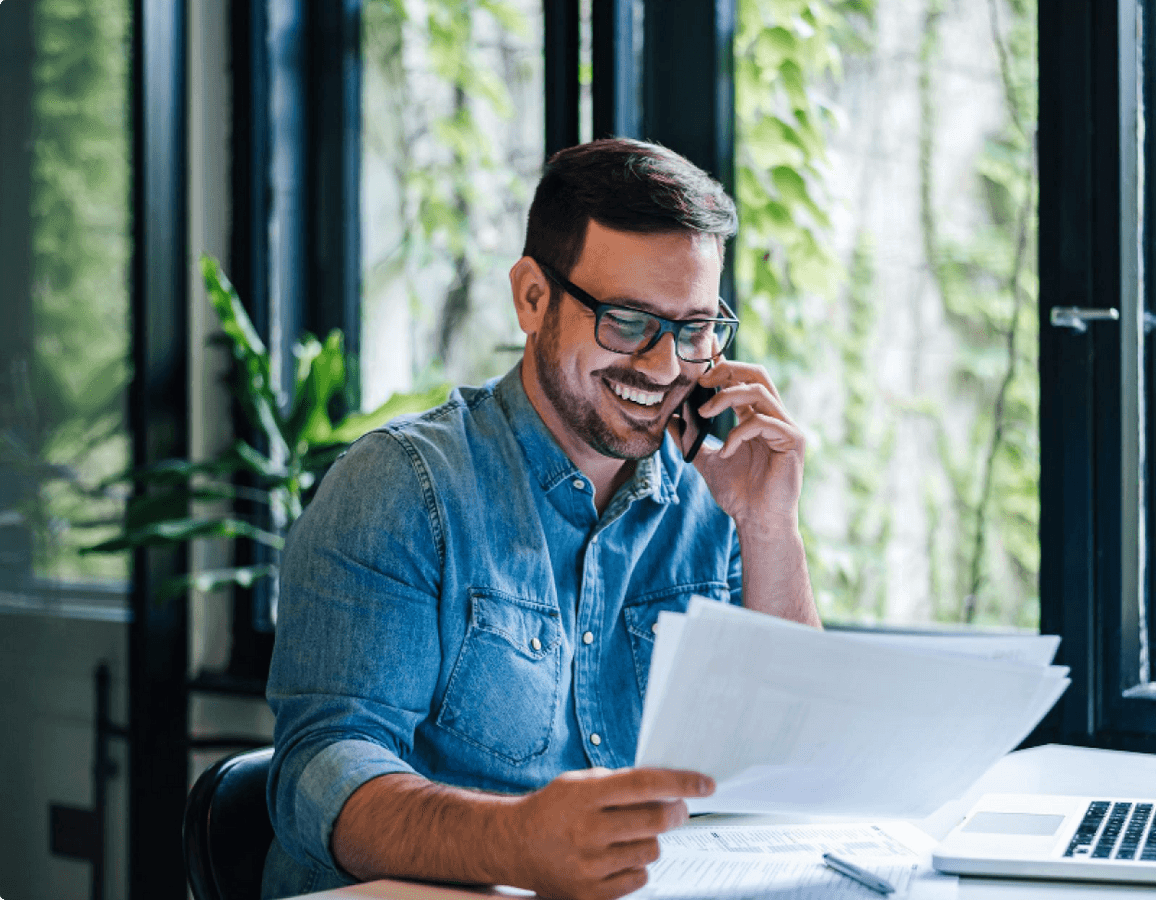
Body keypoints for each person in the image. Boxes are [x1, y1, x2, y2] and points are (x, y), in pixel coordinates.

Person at [261, 138, 821, 900]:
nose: (664, 368)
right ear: (532, 298)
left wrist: (769, 529)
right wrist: (513, 844)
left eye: (695, 329)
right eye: (628, 322)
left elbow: (793, 764)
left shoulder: (710, 497)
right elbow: (323, 771)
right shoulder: (400, 488)